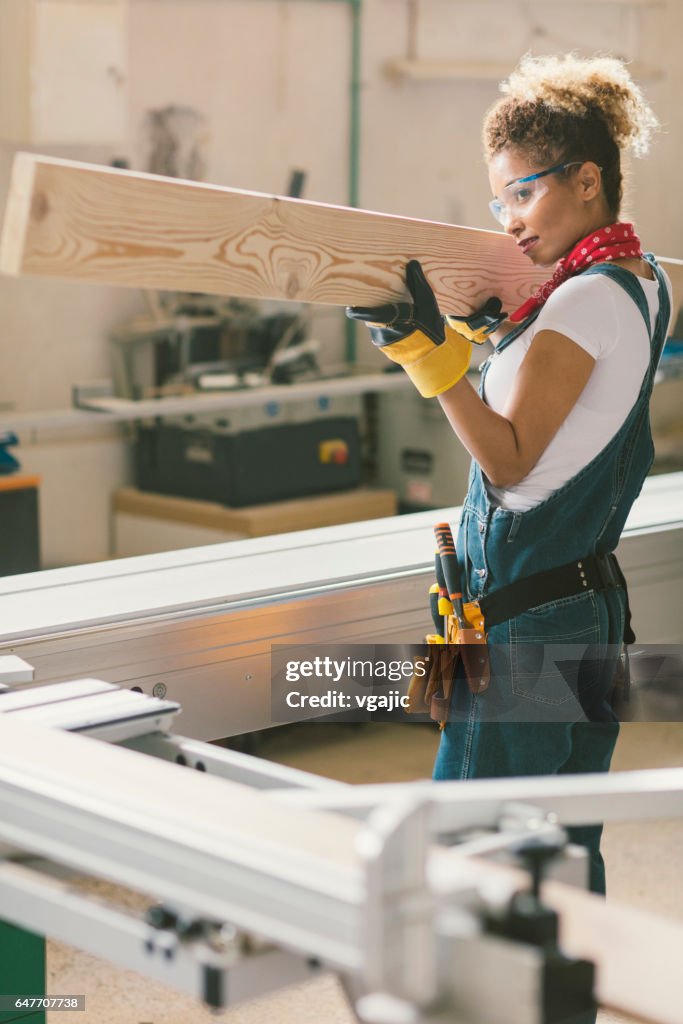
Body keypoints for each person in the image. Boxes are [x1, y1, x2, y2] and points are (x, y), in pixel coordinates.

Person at [348, 53, 673, 898]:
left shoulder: (579, 300)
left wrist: (425, 354)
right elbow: (569, 419)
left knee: (473, 867)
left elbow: (509, 457)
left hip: (525, 623)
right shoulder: (642, 282)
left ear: (588, 179)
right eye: (501, 201)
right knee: (559, 860)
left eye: (525, 193)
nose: (511, 223)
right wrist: (493, 339)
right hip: (586, 606)